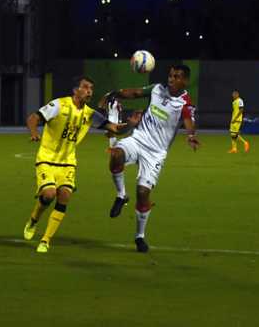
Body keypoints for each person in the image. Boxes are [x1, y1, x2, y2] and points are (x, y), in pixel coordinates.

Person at [22, 76, 132, 253]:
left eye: (91, 88)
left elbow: (114, 128)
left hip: (68, 163)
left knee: (64, 195)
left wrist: (132, 123)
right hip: (47, 159)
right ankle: (34, 220)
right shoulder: (59, 105)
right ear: (76, 90)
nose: (89, 91)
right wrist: (34, 132)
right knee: (49, 194)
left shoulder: (89, 114)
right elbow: (33, 118)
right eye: (85, 87)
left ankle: (45, 240)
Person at [100, 65, 200, 253]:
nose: (171, 79)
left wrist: (190, 135)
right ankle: (121, 195)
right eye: (170, 75)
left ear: (184, 81)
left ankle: (139, 236)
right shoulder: (156, 89)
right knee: (116, 154)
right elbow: (135, 92)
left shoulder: (185, 102)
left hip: (156, 153)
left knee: (143, 192)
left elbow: (188, 120)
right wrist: (115, 93)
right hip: (138, 139)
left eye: (176, 76)